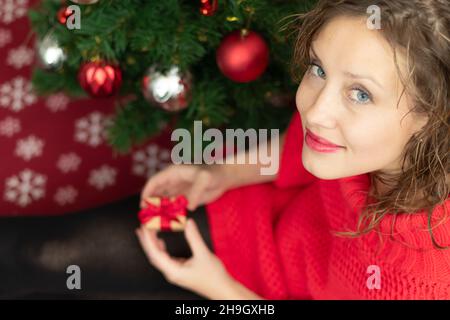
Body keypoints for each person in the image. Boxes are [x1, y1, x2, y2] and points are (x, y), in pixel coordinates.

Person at [136, 0, 450, 299]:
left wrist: (222, 291)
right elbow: (300, 148)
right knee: (88, 247)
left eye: (361, 94)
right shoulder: (350, 142)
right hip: (267, 223)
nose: (314, 113)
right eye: (319, 69)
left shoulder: (427, 286)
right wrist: (220, 174)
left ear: (435, 115)